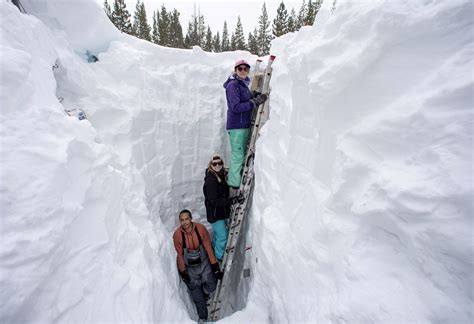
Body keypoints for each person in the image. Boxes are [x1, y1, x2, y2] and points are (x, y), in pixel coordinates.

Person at [223, 59, 268, 189]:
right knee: (237, 156)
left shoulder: (242, 84)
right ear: (235, 70)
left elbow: (242, 98)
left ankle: (236, 180)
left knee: (240, 155)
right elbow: (235, 107)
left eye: (245, 69)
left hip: (243, 125)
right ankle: (234, 185)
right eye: (240, 68)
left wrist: (252, 95)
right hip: (237, 126)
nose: (243, 71)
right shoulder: (233, 85)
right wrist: (253, 102)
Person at [172, 209, 223, 321]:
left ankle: (205, 292)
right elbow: (180, 255)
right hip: (190, 269)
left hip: (204, 263)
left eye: (186, 219)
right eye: (182, 220)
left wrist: (215, 266)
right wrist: (183, 272)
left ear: (191, 219)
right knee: (197, 298)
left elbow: (208, 248)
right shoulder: (177, 235)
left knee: (212, 285)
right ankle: (203, 318)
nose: (185, 222)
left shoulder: (200, 229)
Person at [203, 155, 244, 261]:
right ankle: (219, 258)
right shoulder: (210, 181)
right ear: (210, 165)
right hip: (215, 215)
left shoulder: (222, 174)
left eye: (219, 163)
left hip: (222, 212)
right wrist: (233, 200)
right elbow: (214, 201)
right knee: (223, 237)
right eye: (214, 164)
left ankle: (212, 252)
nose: (217, 166)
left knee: (218, 235)